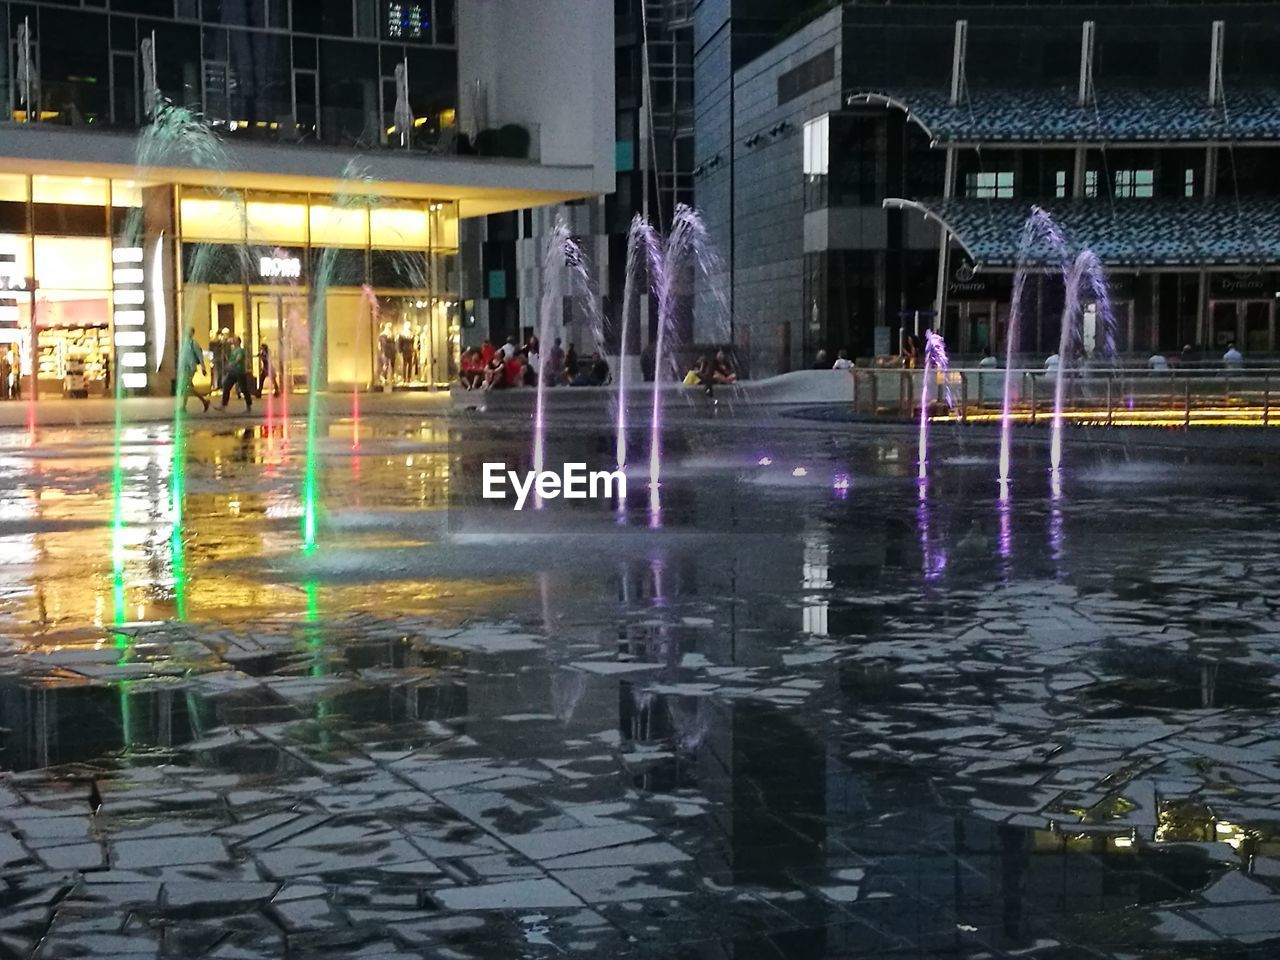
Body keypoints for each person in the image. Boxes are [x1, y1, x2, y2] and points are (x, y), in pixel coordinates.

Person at [180, 326, 211, 412]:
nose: (188, 333)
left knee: (187, 387)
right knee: (187, 387)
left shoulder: (193, 344)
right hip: (185, 368)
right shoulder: (185, 343)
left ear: (192, 333)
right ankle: (203, 402)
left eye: (189, 332)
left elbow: (200, 356)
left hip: (190, 368)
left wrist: (203, 368)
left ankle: (203, 402)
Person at [218, 335, 252, 412]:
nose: (233, 341)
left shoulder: (240, 350)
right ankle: (223, 405)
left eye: (235, 340)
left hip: (239, 372)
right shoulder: (233, 350)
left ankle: (248, 405)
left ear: (238, 342)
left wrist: (232, 363)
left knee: (244, 389)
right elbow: (230, 359)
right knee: (226, 386)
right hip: (233, 372)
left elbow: (238, 358)